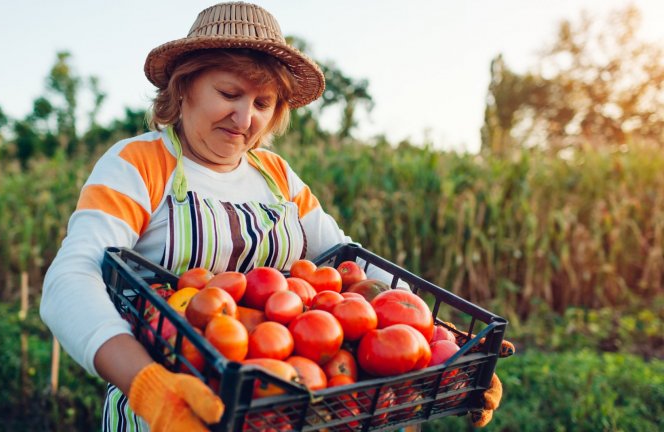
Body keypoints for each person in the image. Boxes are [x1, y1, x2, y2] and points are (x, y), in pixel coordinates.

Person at [40, 2, 508, 431]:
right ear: (183, 87)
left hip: (285, 409)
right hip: (178, 412)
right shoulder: (140, 164)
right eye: (229, 93)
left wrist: (446, 346)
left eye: (262, 104)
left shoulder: (276, 176)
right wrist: (147, 386)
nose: (245, 119)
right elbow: (71, 278)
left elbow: (351, 265)